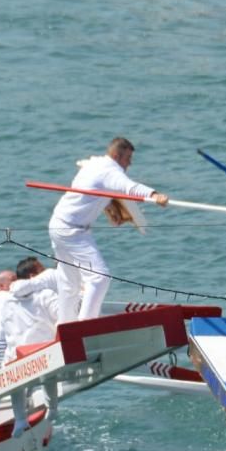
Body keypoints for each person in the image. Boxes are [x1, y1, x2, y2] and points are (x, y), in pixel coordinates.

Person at [48, 136, 169, 322]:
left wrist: (112, 208)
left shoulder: (94, 164)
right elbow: (129, 187)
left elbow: (98, 191)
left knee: (69, 283)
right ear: (116, 155)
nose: (129, 164)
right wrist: (155, 195)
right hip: (73, 231)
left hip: (58, 224)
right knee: (99, 277)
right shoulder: (109, 171)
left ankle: (64, 326)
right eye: (127, 159)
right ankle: (84, 326)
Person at [0, 256, 60, 369]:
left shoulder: (7, 302)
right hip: (46, 357)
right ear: (33, 277)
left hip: (17, 362)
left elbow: (0, 339)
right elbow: (65, 319)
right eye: (43, 271)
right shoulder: (46, 295)